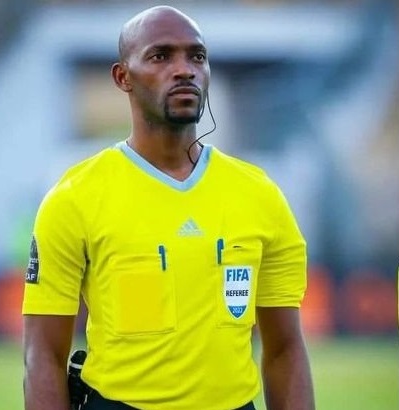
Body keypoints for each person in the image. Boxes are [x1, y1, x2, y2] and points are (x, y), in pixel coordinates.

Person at [22, 5, 315, 410]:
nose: (184, 70)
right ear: (122, 77)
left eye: (197, 56)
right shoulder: (74, 197)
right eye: (161, 56)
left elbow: (285, 350)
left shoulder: (260, 195)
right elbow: (42, 357)